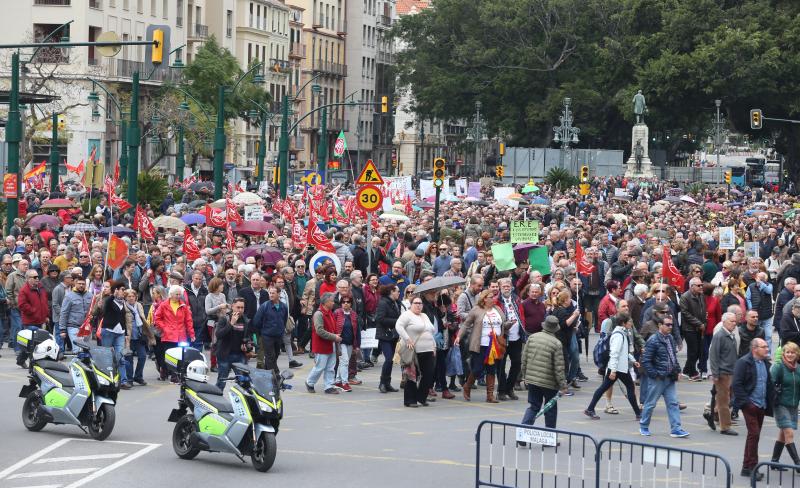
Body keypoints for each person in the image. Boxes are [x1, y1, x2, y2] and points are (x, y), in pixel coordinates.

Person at [456, 290, 511, 403]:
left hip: (495, 345)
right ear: (484, 298)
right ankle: (467, 386)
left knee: (491, 370)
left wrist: (508, 324)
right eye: (491, 297)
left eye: (494, 296)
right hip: (480, 344)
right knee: (477, 369)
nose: (493, 298)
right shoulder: (477, 310)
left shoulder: (498, 309)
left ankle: (490, 396)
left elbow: (503, 324)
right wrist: (458, 337)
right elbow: (466, 324)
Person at [584, 313, 641, 420]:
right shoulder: (618, 335)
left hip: (618, 367)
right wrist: (613, 371)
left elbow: (623, 351)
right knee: (629, 388)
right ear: (623, 323)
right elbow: (614, 353)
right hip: (618, 368)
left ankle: (590, 409)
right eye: (629, 322)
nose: (631, 324)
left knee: (603, 388)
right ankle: (638, 413)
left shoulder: (621, 333)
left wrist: (633, 361)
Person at [639, 315, 689, 438]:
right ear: (660, 325)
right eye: (667, 325)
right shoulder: (653, 340)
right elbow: (646, 361)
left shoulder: (670, 338)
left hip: (669, 377)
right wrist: (654, 374)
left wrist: (677, 370)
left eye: (671, 325)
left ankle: (676, 429)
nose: (670, 327)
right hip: (658, 378)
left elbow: (673, 357)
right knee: (650, 403)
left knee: (672, 403)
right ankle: (644, 426)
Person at [732, 338, 774, 480]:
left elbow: (768, 383)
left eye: (767, 346)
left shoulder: (765, 363)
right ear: (755, 348)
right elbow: (736, 384)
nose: (767, 349)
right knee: (754, 434)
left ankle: (746, 467)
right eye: (764, 347)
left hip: (761, 405)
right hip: (750, 404)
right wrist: (747, 403)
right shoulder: (743, 362)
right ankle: (753, 468)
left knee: (753, 436)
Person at [518, 316, 566, 435]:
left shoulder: (532, 337)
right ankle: (549, 438)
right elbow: (559, 368)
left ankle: (523, 434)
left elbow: (524, 359)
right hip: (549, 382)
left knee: (533, 406)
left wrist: (525, 376)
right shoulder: (556, 343)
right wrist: (563, 385)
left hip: (532, 379)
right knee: (550, 409)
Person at [396, 294, 438, 407]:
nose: (418, 305)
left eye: (420, 303)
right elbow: (398, 326)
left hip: (428, 350)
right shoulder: (407, 315)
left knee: (429, 375)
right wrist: (407, 339)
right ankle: (410, 400)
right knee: (412, 375)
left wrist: (433, 346)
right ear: (411, 304)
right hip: (413, 351)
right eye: (416, 303)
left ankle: (421, 397)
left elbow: (430, 331)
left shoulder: (424, 315)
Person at [153, 285, 195, 384]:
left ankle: (174, 375)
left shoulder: (183, 306)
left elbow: (188, 320)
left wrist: (191, 334)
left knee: (179, 356)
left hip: (181, 335)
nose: (178, 296)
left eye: (179, 294)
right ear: (170, 294)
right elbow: (157, 318)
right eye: (176, 294)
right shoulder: (164, 305)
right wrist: (164, 327)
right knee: (168, 356)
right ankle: (164, 370)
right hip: (168, 335)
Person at [769, 341, 800, 470]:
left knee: (783, 433)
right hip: (780, 404)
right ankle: (798, 464)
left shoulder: (798, 368)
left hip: (793, 404)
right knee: (789, 433)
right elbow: (770, 383)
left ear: (797, 354)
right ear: (783, 353)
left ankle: (774, 462)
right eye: (787, 352)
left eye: (793, 352)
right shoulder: (778, 367)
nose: (790, 354)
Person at [708, 312, 739, 436]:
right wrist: (715, 374)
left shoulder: (731, 335)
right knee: (723, 401)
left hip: (732, 372)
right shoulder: (719, 336)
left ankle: (712, 414)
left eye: (735, 321)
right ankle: (725, 427)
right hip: (722, 374)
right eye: (732, 321)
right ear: (724, 322)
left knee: (728, 399)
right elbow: (714, 356)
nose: (734, 323)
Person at [305, 293, 341, 394]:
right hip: (322, 345)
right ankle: (310, 382)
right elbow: (319, 331)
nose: (333, 303)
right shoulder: (319, 314)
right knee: (320, 367)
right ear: (326, 302)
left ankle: (328, 386)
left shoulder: (329, 312)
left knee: (330, 367)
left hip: (331, 344)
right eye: (332, 301)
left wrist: (335, 335)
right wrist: (334, 337)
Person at [100, 281, 131, 389]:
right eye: (122, 289)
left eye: (124, 290)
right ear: (116, 290)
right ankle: (106, 380)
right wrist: (113, 293)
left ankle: (123, 381)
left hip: (120, 333)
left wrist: (126, 333)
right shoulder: (109, 301)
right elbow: (105, 308)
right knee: (107, 356)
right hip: (108, 331)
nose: (124, 292)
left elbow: (124, 319)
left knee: (120, 357)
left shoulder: (123, 302)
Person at [16, 269, 50, 367]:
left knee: (35, 343)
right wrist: (34, 311)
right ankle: (33, 364)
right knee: (31, 344)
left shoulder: (41, 288)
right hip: (30, 321)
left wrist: (46, 315)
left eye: (37, 276)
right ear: (28, 278)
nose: (37, 279)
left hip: (40, 319)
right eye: (34, 277)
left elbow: (44, 302)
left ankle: (21, 360)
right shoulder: (24, 290)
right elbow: (22, 305)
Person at [214, 298, 249, 391]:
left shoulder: (245, 320)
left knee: (244, 382)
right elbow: (219, 334)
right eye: (238, 307)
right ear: (232, 306)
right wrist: (231, 323)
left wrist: (246, 345)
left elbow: (248, 338)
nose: (240, 310)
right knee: (221, 382)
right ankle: (216, 402)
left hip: (239, 355)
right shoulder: (224, 318)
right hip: (225, 355)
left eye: (242, 308)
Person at [251, 286, 288, 373]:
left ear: (278, 294)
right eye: (270, 293)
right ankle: (275, 374)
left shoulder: (283, 307)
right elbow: (256, 321)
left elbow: (284, 319)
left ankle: (267, 372)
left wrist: (281, 329)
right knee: (270, 356)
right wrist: (264, 331)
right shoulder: (264, 306)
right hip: (267, 336)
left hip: (278, 335)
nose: (271, 295)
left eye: (273, 293)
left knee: (276, 355)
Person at [124, 288, 155, 386]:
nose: (131, 298)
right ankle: (129, 379)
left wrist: (148, 333)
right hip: (129, 337)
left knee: (142, 356)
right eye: (129, 296)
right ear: (125, 297)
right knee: (128, 359)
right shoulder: (123, 306)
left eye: (133, 296)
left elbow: (143, 319)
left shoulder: (139, 305)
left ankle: (138, 376)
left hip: (139, 335)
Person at [375, 284, 402, 393]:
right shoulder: (383, 303)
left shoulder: (396, 303)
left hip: (393, 335)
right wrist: (397, 321)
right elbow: (380, 319)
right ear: (391, 291)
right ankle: (382, 383)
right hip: (384, 335)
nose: (399, 293)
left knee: (391, 360)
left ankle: (387, 383)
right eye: (397, 291)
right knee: (389, 358)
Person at [680, 277, 706, 381]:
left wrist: (704, 322)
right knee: (693, 351)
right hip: (689, 328)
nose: (701, 287)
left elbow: (703, 310)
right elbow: (685, 313)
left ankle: (686, 370)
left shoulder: (701, 295)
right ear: (691, 286)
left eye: (701, 285)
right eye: (698, 285)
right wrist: (699, 323)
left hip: (700, 327)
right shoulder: (685, 297)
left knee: (699, 350)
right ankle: (692, 372)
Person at [58, 276, 92, 352]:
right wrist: (62, 330)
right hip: (74, 327)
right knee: (77, 350)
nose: (81, 285)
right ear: (75, 284)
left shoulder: (90, 296)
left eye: (83, 284)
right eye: (79, 283)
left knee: (87, 350)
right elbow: (64, 313)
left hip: (86, 327)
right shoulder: (69, 296)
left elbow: (92, 311)